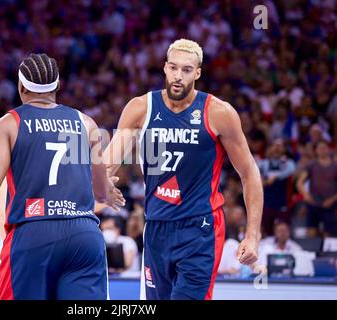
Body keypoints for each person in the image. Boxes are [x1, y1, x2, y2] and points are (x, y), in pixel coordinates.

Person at [0, 53, 125, 300]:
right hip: (84, 236)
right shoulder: (85, 123)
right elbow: (100, 192)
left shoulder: (7, 125)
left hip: (34, 232)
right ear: (56, 86)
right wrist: (109, 189)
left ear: (21, 87)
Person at [104, 39, 263, 300]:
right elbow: (109, 161)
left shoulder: (219, 113)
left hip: (200, 228)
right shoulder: (141, 108)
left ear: (198, 73)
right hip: (156, 226)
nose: (178, 76)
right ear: (165, 68)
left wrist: (253, 235)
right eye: (174, 68)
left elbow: (249, 172)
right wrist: (103, 184)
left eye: (187, 70)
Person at [296, 140, 337, 237]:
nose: (322, 150)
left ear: (328, 149)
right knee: (311, 232)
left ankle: (328, 252)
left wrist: (332, 200)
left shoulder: (335, 166)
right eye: (320, 148)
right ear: (316, 151)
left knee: (329, 234)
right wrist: (306, 195)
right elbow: (299, 182)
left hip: (330, 205)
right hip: (313, 203)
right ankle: (312, 252)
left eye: (324, 147)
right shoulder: (311, 165)